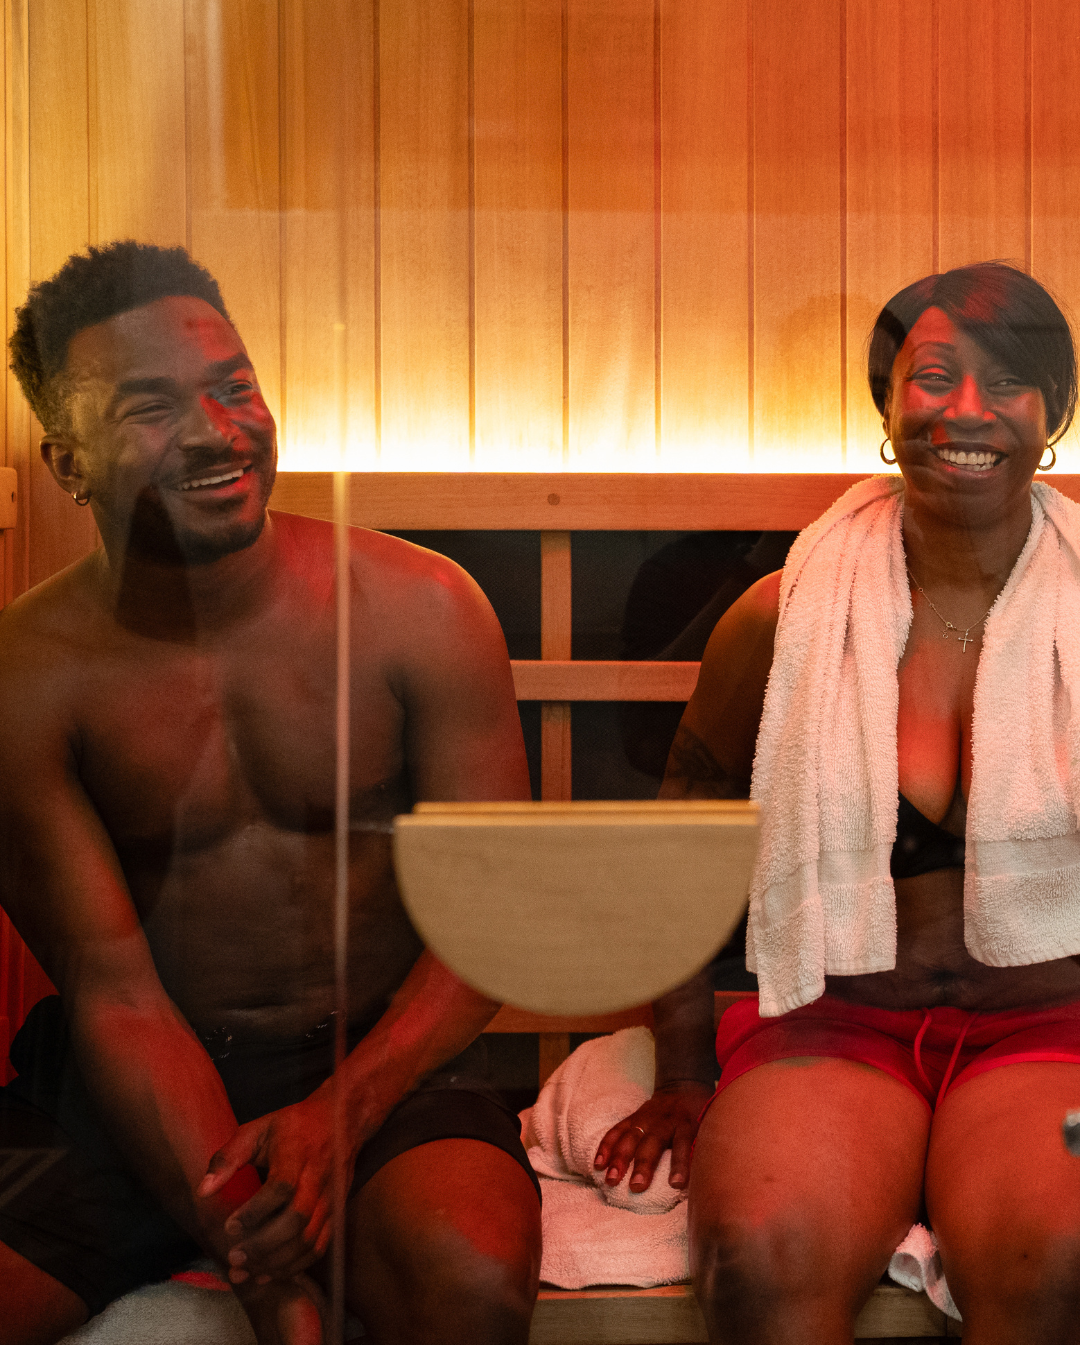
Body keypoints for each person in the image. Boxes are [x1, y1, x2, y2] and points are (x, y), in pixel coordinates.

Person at [0, 242, 541, 1345]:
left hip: (382, 1056)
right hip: (124, 1078)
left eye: (233, 386)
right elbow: (114, 994)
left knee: (471, 1281)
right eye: (151, 408)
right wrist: (272, 1282)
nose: (215, 432)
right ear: (68, 461)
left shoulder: (425, 610)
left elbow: (487, 929)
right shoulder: (27, 679)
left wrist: (339, 1115)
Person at [595, 262, 1080, 1344]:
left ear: (1053, 413)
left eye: (1007, 381)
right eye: (935, 376)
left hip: (1051, 1028)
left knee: (1058, 1263)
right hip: (836, 1021)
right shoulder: (782, 620)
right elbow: (679, 846)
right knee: (759, 1260)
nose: (967, 410)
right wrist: (684, 1069)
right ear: (887, 406)